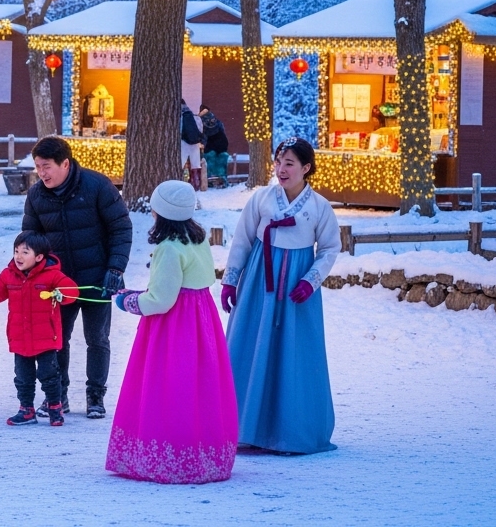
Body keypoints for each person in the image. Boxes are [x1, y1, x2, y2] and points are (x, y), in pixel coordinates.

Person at [107, 180, 238, 483]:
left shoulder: (168, 248)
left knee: (169, 384)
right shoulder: (198, 239)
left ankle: (169, 456)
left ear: (159, 212)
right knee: (198, 384)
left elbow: (161, 300)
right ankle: (202, 452)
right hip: (200, 319)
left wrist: (128, 301)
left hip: (175, 326)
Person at [221, 137, 341, 455]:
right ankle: (244, 427)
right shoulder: (261, 199)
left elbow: (330, 247)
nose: (281, 169)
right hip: (261, 280)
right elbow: (243, 240)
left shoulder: (319, 207)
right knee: (251, 347)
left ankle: (292, 432)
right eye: (278, 162)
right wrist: (231, 280)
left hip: (295, 289)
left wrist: (311, 280)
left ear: (306, 168)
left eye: (289, 163)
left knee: (295, 353)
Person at [22, 135, 132, 419]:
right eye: (37, 167)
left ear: (65, 164)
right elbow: (31, 239)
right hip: (58, 284)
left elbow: (121, 228)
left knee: (97, 338)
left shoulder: (97, 186)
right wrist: (34, 272)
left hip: (97, 278)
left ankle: (95, 395)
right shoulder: (36, 196)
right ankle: (59, 396)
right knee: (58, 339)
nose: (41, 173)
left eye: (46, 166)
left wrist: (115, 269)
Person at [0, 231, 77, 426]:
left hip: (46, 338)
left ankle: (55, 408)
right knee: (23, 378)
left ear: (39, 257)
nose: (19, 256)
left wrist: (60, 294)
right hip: (20, 338)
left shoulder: (52, 275)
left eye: (25, 252)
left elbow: (72, 291)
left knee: (49, 376)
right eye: (16, 251)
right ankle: (26, 410)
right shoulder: (9, 275)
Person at [199, 105, 229, 188]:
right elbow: (222, 131)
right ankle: (222, 181)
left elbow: (202, 136)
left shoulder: (200, 121)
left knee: (209, 163)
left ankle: (209, 181)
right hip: (222, 144)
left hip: (209, 146)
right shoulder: (217, 121)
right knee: (221, 163)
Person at [180, 101, 205, 191]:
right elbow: (200, 130)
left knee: (180, 164)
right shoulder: (195, 117)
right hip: (195, 144)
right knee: (195, 165)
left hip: (183, 143)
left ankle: (179, 183)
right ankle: (196, 184)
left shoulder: (180, 116)